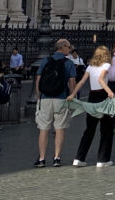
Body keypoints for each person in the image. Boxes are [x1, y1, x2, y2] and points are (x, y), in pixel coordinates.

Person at [67, 45, 115, 167]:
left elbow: (82, 82)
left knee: (89, 129)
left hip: (92, 97)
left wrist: (73, 94)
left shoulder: (90, 67)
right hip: (103, 96)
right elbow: (101, 79)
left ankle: (79, 158)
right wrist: (109, 92)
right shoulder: (106, 65)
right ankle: (103, 159)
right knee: (106, 129)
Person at [34, 38, 78, 167]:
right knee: (59, 128)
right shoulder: (68, 63)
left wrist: (39, 97)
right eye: (69, 47)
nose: (70, 50)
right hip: (61, 98)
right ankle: (56, 157)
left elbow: (38, 80)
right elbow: (72, 82)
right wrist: (72, 97)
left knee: (43, 129)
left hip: (45, 98)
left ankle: (42, 158)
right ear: (63, 47)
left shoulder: (45, 61)